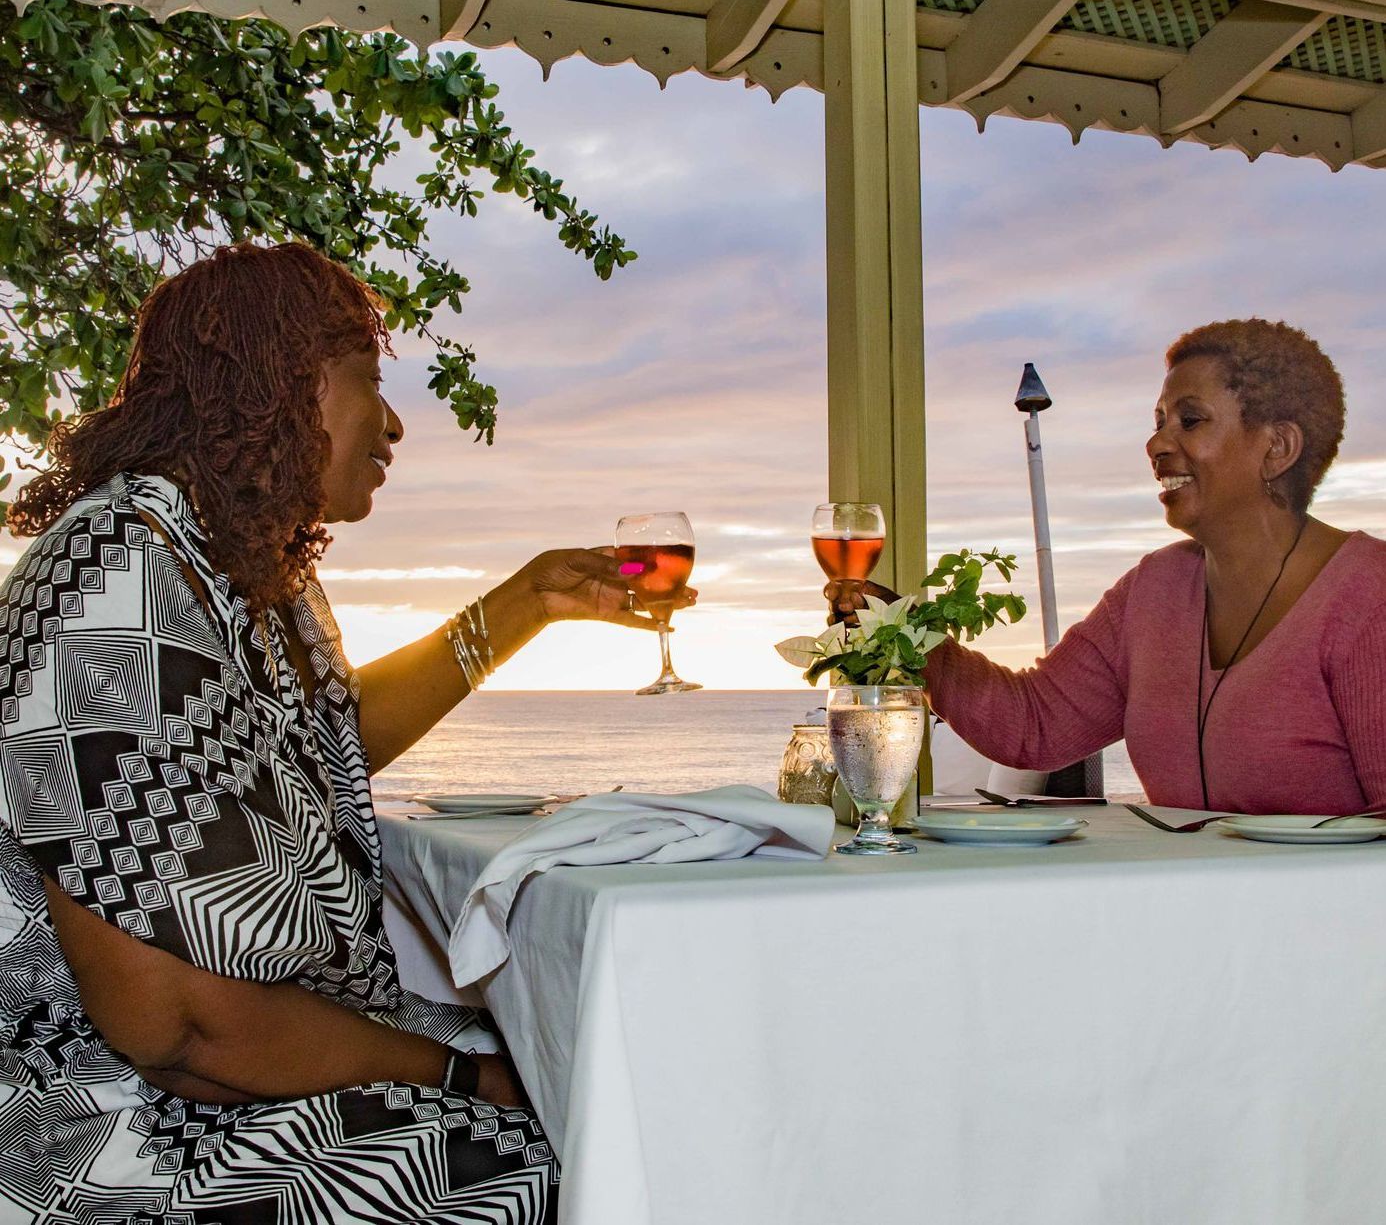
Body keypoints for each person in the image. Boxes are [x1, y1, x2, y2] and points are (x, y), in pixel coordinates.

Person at [0, 241, 690, 1223]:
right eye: (369, 377)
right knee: (607, 1154)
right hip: (108, 1132)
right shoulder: (116, 587)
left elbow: (324, 748)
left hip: (253, 1064)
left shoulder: (229, 565)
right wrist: (467, 1081)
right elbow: (190, 1033)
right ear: (280, 384)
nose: (396, 420)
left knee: (630, 1061)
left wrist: (525, 603)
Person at [828, 320, 1386, 814]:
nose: (1157, 442)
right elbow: (1036, 724)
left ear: (1278, 447)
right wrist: (910, 636)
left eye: (1190, 421)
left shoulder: (1370, 599)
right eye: (1160, 420)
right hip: (1186, 914)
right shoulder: (1154, 591)